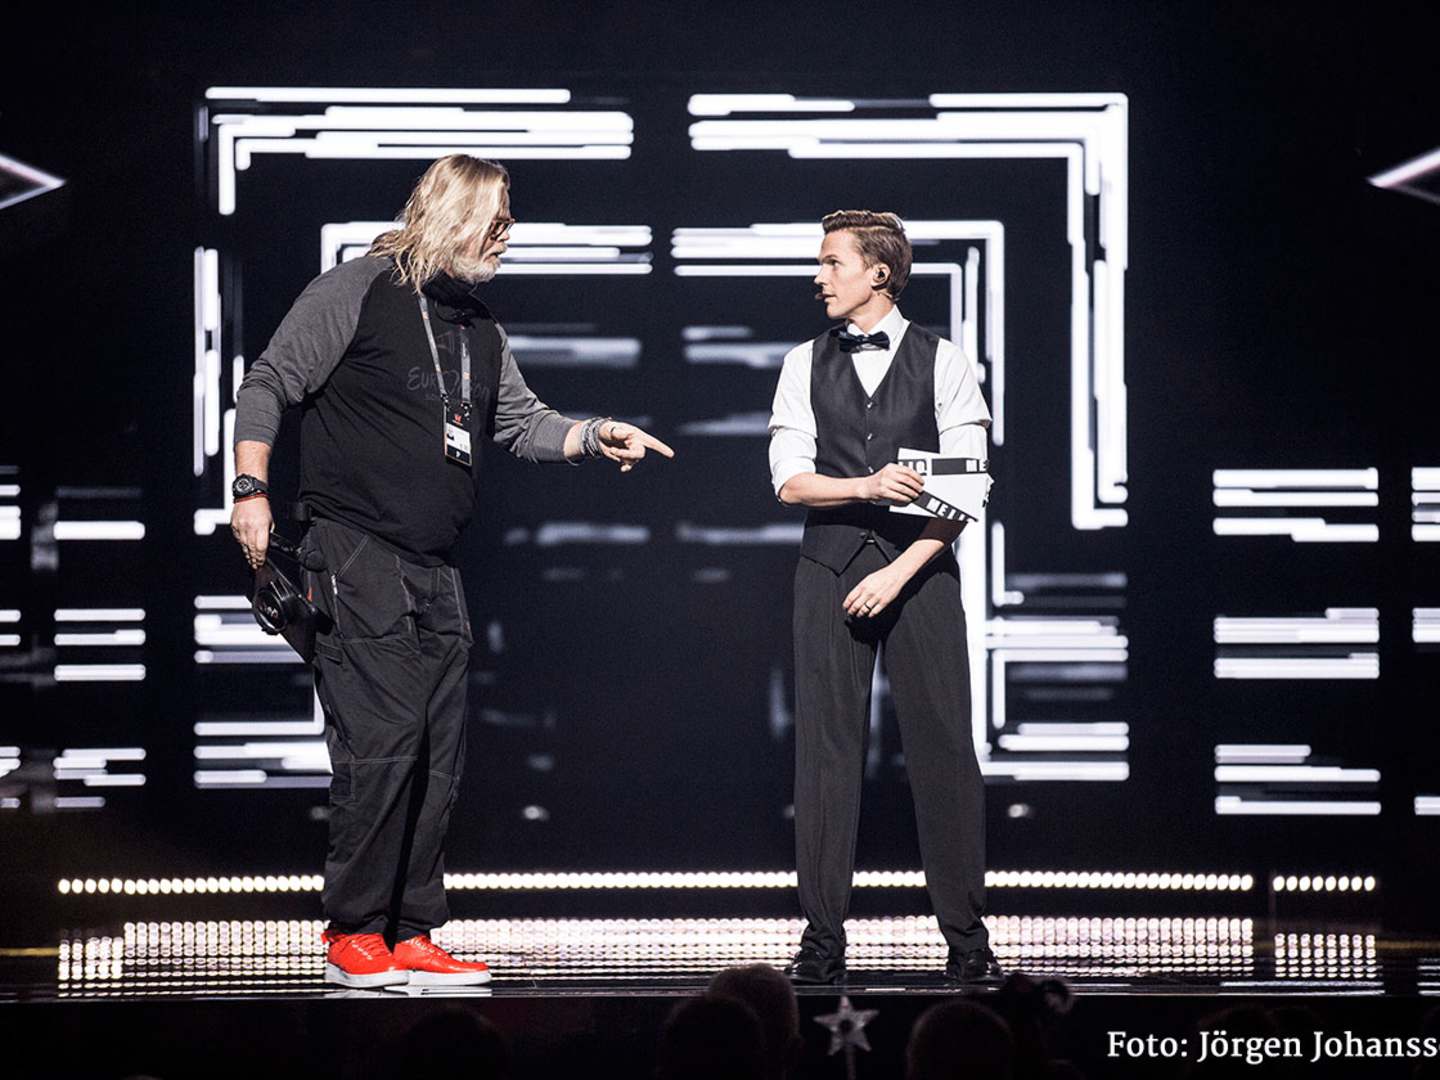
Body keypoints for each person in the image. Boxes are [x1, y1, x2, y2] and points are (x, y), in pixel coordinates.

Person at [230, 155, 673, 988]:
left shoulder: (478, 328)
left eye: (510, 224)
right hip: (354, 548)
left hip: (434, 565)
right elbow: (270, 383)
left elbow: (522, 423)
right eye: (496, 220)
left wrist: (593, 433)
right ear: (450, 211)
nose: (507, 238)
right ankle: (353, 933)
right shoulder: (357, 288)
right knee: (384, 738)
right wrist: (250, 488)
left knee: (439, 750)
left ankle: (411, 932)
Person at [768, 210, 999, 985]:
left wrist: (900, 573)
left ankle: (967, 940)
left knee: (943, 754)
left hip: (920, 573)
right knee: (826, 759)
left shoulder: (944, 362)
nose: (818, 276)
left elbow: (968, 490)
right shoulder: (803, 361)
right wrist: (864, 486)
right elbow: (788, 478)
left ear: (879, 274)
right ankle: (822, 940)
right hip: (828, 570)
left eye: (832, 262)